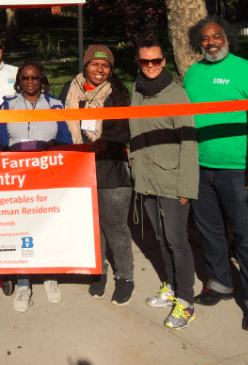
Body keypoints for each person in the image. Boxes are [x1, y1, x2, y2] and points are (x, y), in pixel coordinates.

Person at [0, 59, 73, 312]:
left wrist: (55, 150)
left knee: (47, 225)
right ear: (18, 81)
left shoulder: (56, 105)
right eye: (25, 78)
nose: (29, 82)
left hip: (47, 175)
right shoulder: (8, 106)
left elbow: (66, 139)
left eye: (34, 77)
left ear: (42, 80)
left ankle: (49, 276)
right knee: (22, 227)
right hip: (17, 176)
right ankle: (23, 282)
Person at [183, 16, 248, 330]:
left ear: (227, 38)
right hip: (200, 166)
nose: (211, 42)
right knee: (210, 232)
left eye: (216, 36)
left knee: (245, 236)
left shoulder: (243, 69)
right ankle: (220, 283)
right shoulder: (193, 73)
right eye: (205, 38)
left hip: (237, 169)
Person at [130, 33, 199, 330]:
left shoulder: (176, 94)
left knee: (177, 241)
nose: (150, 65)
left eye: (155, 60)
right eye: (145, 61)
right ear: (139, 62)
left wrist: (186, 186)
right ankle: (170, 286)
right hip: (146, 177)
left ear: (164, 61)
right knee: (160, 239)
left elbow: (189, 143)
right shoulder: (136, 90)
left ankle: (186, 302)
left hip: (172, 179)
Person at [60, 45, 134, 305]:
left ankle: (125, 276)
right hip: (80, 168)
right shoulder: (70, 91)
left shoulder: (119, 94)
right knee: (92, 228)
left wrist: (106, 141)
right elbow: (62, 126)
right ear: (85, 65)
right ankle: (99, 271)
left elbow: (127, 132)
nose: (100, 69)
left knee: (115, 227)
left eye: (105, 66)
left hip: (111, 167)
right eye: (95, 64)